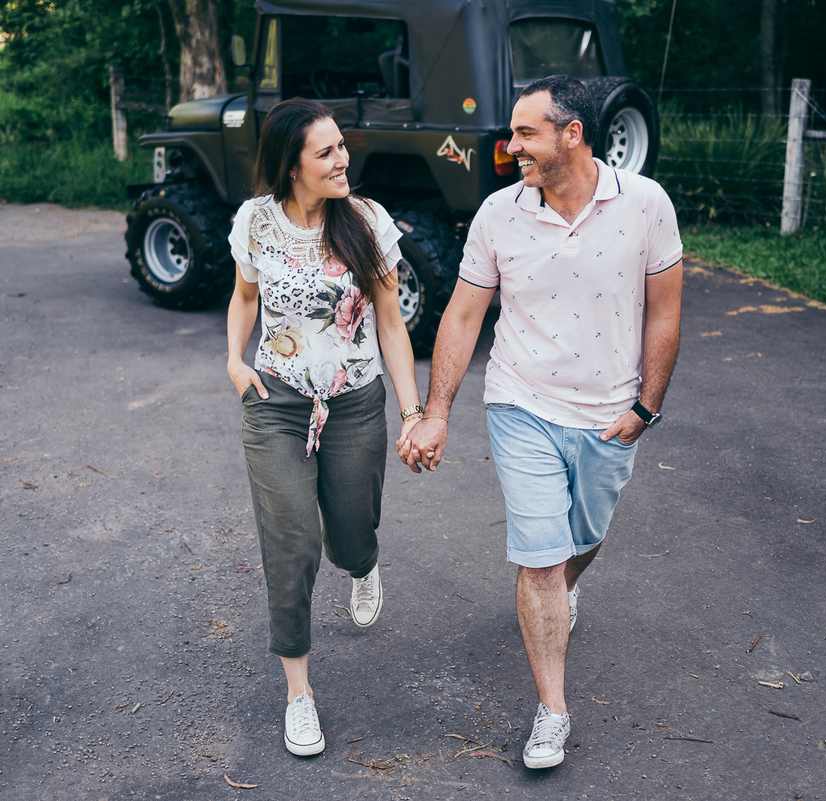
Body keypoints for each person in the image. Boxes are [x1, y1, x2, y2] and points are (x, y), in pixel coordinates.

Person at [402, 75, 682, 769]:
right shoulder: (499, 213)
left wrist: (646, 406)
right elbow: (464, 314)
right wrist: (436, 412)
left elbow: (666, 311)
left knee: (582, 539)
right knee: (541, 557)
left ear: (572, 135)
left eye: (526, 132)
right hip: (520, 402)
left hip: (609, 415)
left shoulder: (645, 205)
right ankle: (552, 710)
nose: (510, 144)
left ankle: (566, 590)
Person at [226, 97, 424, 757]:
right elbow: (246, 295)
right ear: (291, 165)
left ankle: (363, 563)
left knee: (350, 529)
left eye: (342, 146)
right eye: (327, 152)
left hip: (354, 400)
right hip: (275, 401)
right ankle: (299, 693)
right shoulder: (255, 222)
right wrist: (233, 358)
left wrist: (413, 410)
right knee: (291, 541)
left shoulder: (367, 222)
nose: (344, 159)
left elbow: (392, 321)